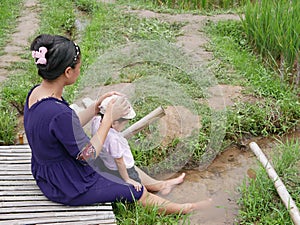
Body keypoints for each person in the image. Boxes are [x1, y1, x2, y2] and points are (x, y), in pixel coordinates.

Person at [24, 34, 212, 215]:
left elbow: (64, 127)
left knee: (115, 157)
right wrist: (108, 119)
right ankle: (186, 208)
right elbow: (87, 154)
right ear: (68, 72)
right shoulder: (58, 112)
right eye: (79, 67)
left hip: (49, 172)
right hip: (68, 184)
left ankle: (160, 185)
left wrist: (95, 109)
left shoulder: (38, 94)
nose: (80, 71)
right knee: (136, 191)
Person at [91, 95, 187, 195]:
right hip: (123, 171)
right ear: (114, 123)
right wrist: (128, 179)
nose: (125, 126)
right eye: (124, 124)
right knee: (138, 189)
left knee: (137, 181)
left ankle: (162, 185)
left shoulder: (96, 121)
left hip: (107, 164)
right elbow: (119, 161)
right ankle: (152, 195)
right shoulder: (113, 139)